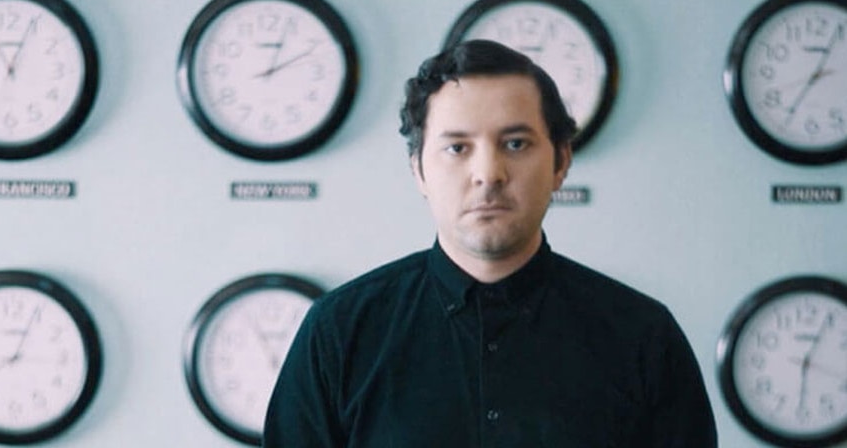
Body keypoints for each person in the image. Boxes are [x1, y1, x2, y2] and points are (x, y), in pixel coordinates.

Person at [263, 39, 717, 447]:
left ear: (561, 162)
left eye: (516, 144)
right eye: (457, 148)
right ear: (418, 170)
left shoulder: (643, 336)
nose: (489, 173)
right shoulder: (339, 332)